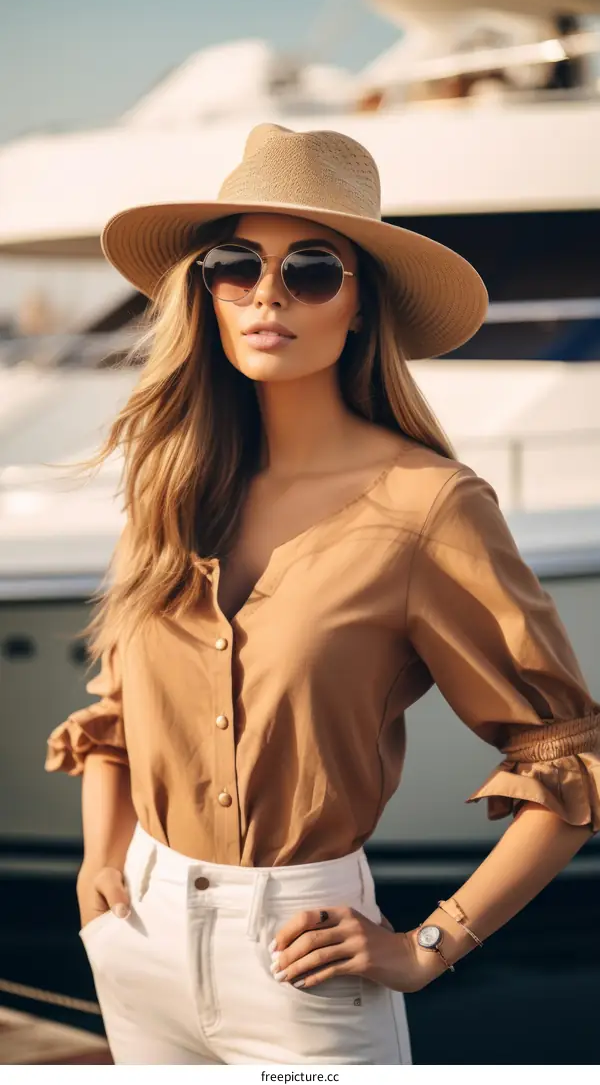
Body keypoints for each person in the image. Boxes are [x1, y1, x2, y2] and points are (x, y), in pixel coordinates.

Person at [45, 123, 600, 1066]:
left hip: (304, 956)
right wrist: (104, 858)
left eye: (310, 269)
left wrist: (429, 945)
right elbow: (117, 715)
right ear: (206, 294)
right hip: (137, 935)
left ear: (361, 307)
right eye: (235, 264)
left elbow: (567, 753)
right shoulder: (173, 481)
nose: (268, 293)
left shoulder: (431, 506)